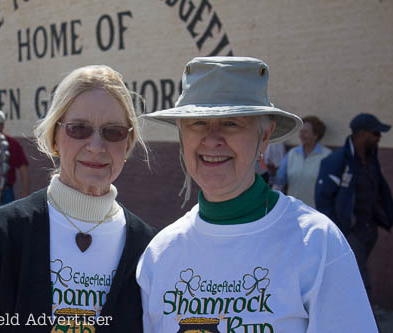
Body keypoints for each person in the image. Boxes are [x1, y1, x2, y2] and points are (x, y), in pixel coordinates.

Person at [136, 57, 376, 332]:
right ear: (182, 135)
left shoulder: (316, 242)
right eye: (198, 122)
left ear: (265, 136)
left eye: (231, 123)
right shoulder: (160, 253)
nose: (212, 139)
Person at [0, 65, 156, 332]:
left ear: (128, 143)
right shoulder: (4, 233)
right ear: (55, 136)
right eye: (79, 129)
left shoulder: (148, 248)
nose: (96, 146)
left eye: (113, 132)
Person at [315, 113, 393, 300]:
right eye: (375, 133)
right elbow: (323, 200)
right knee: (361, 282)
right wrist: (338, 231)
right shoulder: (337, 160)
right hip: (350, 233)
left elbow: (380, 191)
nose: (379, 137)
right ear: (361, 134)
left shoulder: (371, 160)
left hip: (369, 231)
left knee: (349, 278)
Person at [273, 115, 331, 208]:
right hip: (292, 208)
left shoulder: (326, 155)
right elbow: (280, 180)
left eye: (306, 132)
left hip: (315, 210)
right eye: (301, 131)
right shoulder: (292, 153)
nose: (301, 135)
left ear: (316, 135)